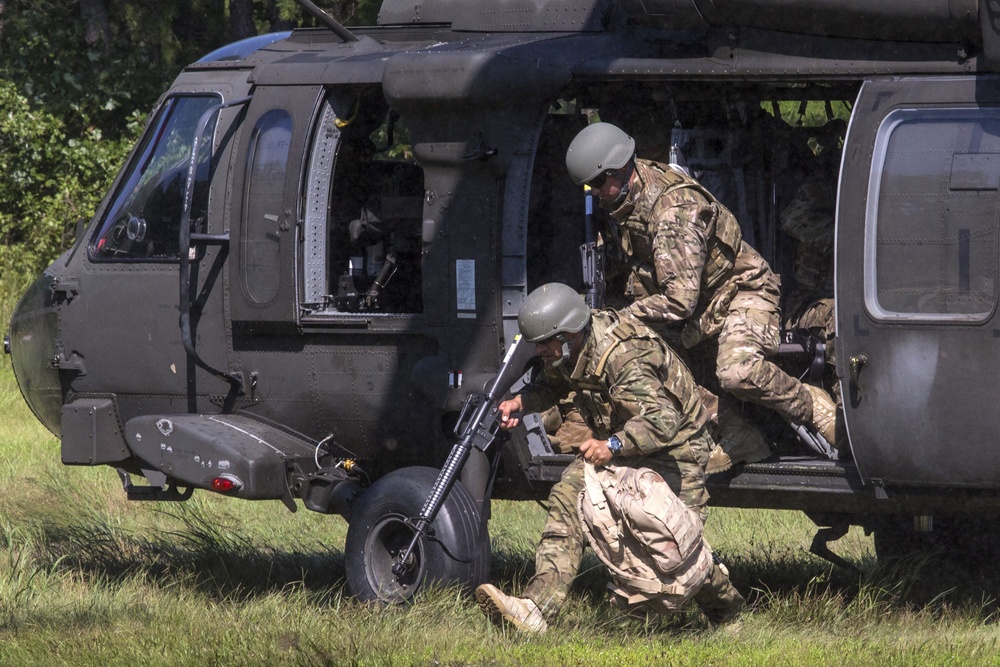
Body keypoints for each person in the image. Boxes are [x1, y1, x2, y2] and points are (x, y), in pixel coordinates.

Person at [475, 283, 744, 633]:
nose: (539, 350)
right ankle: (536, 609)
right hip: (621, 438)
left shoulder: (623, 354)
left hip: (675, 447)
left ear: (569, 334)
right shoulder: (569, 350)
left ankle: (727, 613)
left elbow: (663, 420)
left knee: (674, 542)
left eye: (545, 342)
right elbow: (556, 384)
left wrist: (612, 446)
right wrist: (521, 402)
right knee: (568, 499)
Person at [564, 122, 839, 453]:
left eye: (597, 182)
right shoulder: (620, 202)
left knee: (738, 373)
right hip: (698, 308)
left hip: (742, 292)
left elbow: (678, 301)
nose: (593, 193)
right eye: (586, 187)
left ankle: (811, 404)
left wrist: (622, 318)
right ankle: (735, 435)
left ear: (622, 169)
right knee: (637, 355)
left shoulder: (673, 212)